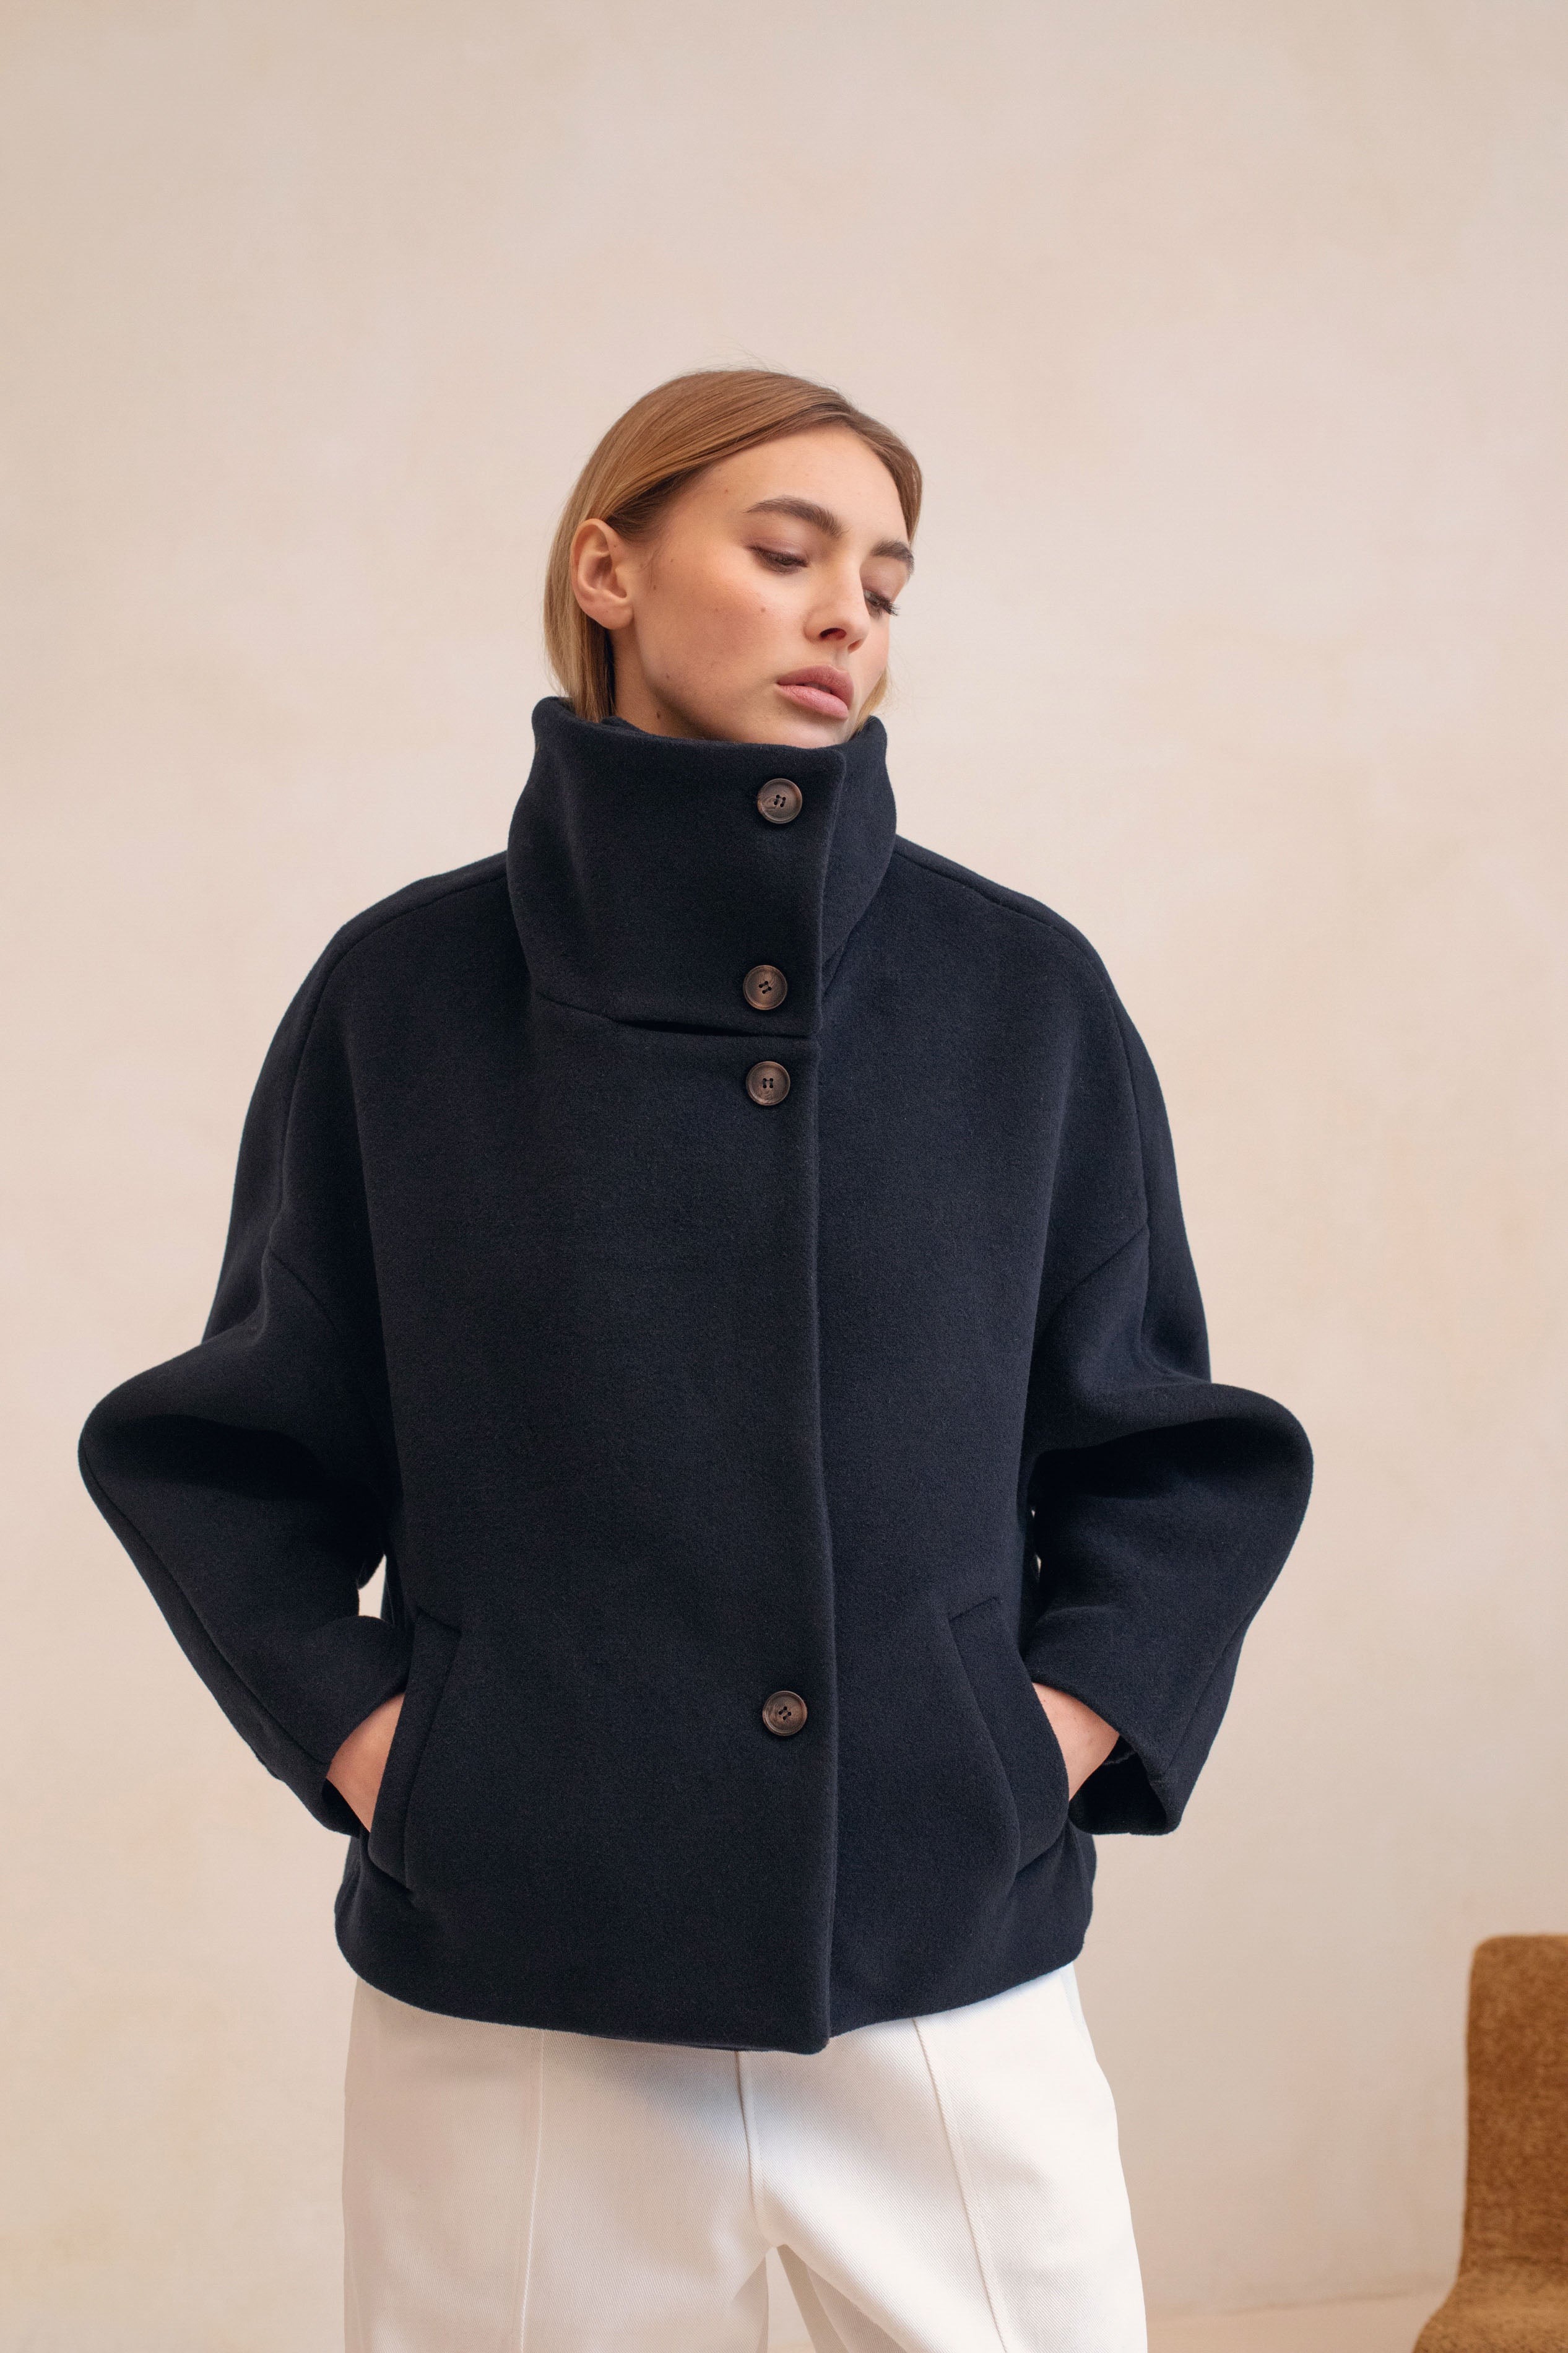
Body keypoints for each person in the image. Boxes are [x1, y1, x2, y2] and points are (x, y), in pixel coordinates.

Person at [80, 367, 1312, 2352]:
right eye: (787, 550)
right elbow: (229, 1459)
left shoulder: (1019, 997)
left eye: (886, 585)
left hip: (942, 1976)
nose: (848, 617)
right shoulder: (407, 997)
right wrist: (416, 1766)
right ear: (610, 569)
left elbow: (1168, 1458)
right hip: (522, 2001)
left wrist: (1022, 1753)